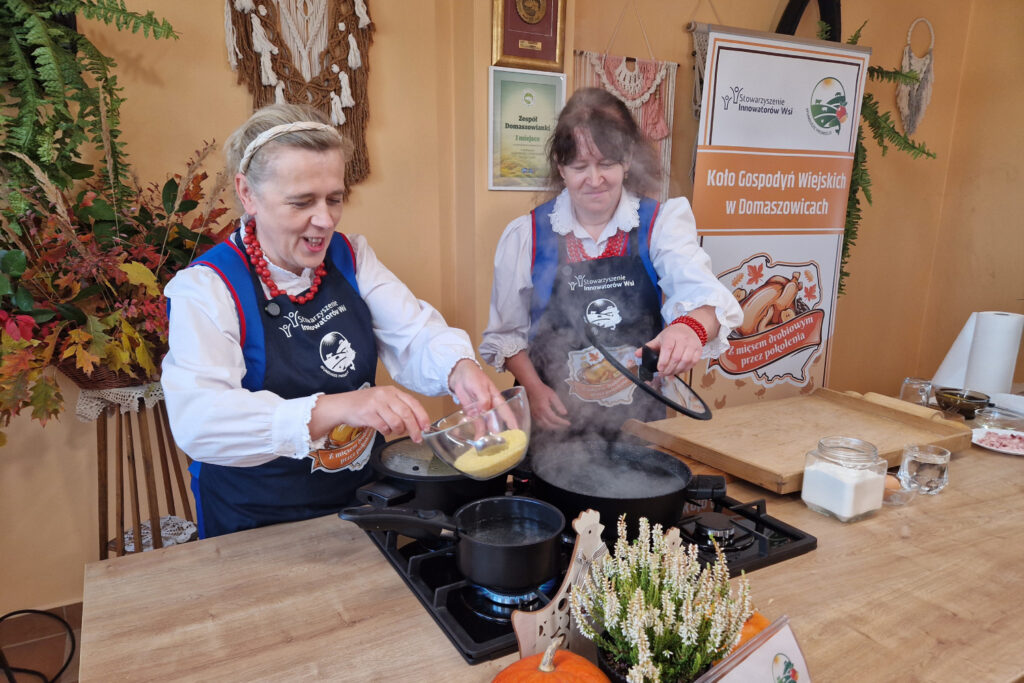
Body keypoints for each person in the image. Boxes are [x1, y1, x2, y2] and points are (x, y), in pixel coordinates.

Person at [162, 103, 502, 538]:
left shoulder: (351, 257)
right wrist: (340, 407)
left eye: (335, 199)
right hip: (255, 522)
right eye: (301, 202)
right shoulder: (206, 288)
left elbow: (415, 334)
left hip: (360, 502)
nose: (324, 220)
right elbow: (201, 421)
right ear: (247, 193)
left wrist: (461, 369)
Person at [479, 88, 743, 444]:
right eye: (579, 167)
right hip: (553, 413)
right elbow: (506, 335)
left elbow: (706, 298)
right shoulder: (526, 236)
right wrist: (535, 391)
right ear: (560, 165)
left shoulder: (661, 225)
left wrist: (690, 328)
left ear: (628, 159)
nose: (595, 179)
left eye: (606, 164)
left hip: (642, 413)